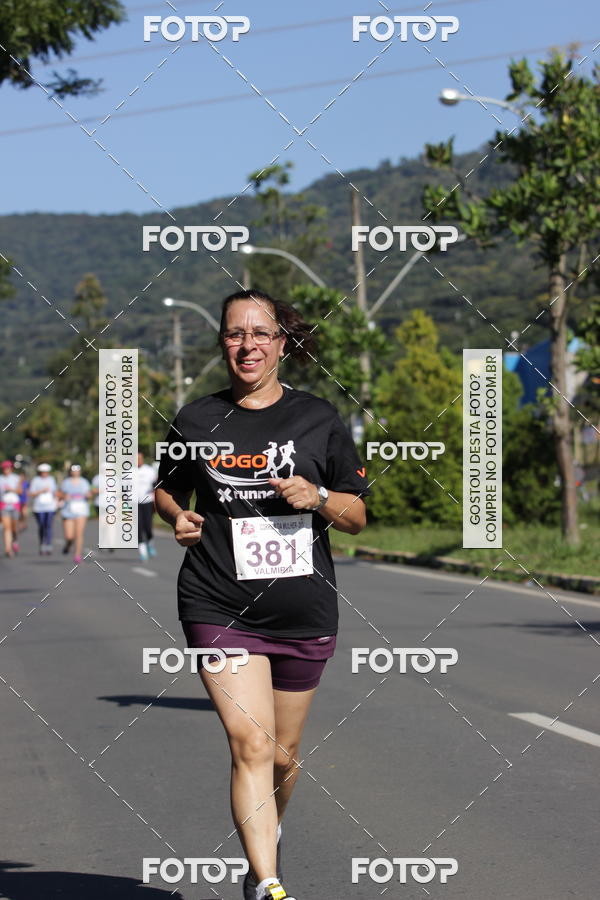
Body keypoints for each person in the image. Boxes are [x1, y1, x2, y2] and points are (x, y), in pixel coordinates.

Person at [155, 289, 369, 900]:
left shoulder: (318, 418)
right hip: (217, 600)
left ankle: (261, 855)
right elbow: (166, 489)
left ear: (282, 343)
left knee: (282, 755)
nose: (247, 345)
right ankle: (271, 884)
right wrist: (177, 516)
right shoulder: (197, 420)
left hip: (302, 608)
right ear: (222, 342)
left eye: (260, 334)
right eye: (234, 334)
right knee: (251, 742)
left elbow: (357, 517)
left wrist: (318, 496)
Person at [58, 464, 91, 563]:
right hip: (68, 510)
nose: (75, 472)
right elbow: (59, 494)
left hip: (81, 509)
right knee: (69, 536)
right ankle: (68, 544)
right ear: (70, 471)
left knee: (79, 533)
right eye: (73, 470)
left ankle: (77, 554)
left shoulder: (84, 482)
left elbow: (88, 494)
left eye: (77, 470)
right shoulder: (66, 482)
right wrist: (64, 496)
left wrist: (88, 495)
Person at [29, 463, 59, 555]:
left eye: (46, 472)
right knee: (42, 525)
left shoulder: (51, 480)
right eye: (43, 472)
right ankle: (42, 543)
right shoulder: (36, 480)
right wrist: (41, 491)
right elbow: (31, 493)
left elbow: (55, 492)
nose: (45, 474)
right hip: (39, 507)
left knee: (48, 525)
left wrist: (57, 500)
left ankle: (49, 544)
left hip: (50, 506)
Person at [136, 451, 157, 561]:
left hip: (148, 502)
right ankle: (142, 551)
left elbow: (156, 486)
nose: (138, 461)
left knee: (148, 526)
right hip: (134, 503)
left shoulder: (149, 471)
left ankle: (149, 543)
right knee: (138, 526)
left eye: (140, 458)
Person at [0, 459, 22, 557]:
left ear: (11, 468)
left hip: (14, 504)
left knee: (14, 527)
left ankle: (15, 539)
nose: (6, 470)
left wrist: (11, 489)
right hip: (4, 504)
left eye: (8, 468)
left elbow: (20, 491)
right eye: (4, 468)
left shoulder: (16, 478)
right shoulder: (0, 479)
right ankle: (8, 549)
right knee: (6, 527)